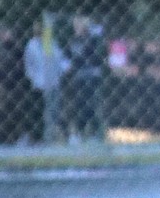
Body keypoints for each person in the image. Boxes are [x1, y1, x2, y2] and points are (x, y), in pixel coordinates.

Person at [23, 16, 69, 144]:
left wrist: (63, 70)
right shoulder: (31, 45)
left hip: (52, 82)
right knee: (37, 111)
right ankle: (37, 137)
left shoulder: (51, 43)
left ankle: (61, 135)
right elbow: (29, 64)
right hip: (38, 83)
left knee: (55, 110)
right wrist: (33, 77)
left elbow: (59, 59)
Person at [65, 14, 108, 142]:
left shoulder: (94, 39)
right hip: (79, 76)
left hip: (92, 75)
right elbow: (68, 57)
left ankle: (95, 134)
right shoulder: (73, 41)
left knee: (92, 104)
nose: (76, 28)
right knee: (79, 104)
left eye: (79, 25)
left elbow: (97, 55)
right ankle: (78, 133)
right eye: (75, 25)